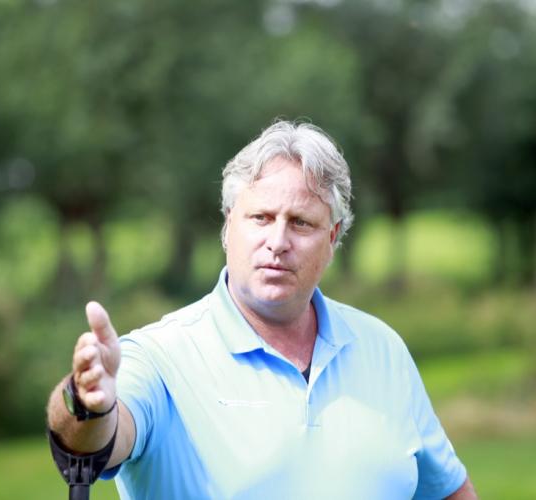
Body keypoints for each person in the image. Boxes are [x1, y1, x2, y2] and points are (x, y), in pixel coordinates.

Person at [46, 120, 477, 499]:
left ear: (332, 238)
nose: (278, 242)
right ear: (228, 224)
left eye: (301, 223)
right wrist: (86, 403)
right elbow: (98, 442)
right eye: (261, 218)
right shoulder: (158, 356)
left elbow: (447, 490)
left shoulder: (383, 349)